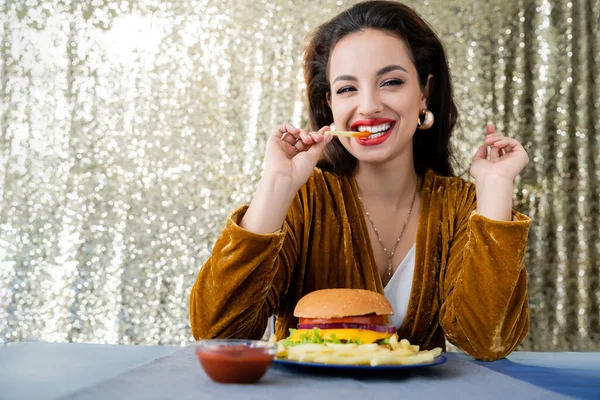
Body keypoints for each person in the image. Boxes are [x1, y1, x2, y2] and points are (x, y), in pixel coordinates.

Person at [189, 0, 531, 361]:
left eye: (391, 82)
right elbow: (218, 333)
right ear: (330, 103)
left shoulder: (462, 206)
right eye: (348, 89)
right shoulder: (303, 199)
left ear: (424, 93)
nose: (368, 106)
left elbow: (487, 342)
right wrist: (275, 185)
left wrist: (495, 191)